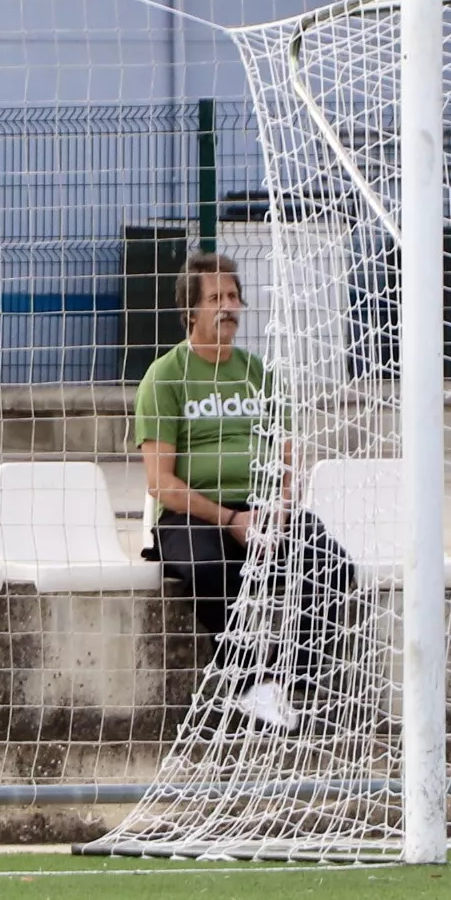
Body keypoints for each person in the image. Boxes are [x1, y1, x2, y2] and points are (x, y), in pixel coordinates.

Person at [137, 252, 351, 733]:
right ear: (190, 310)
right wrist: (231, 521)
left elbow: (289, 455)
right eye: (215, 298)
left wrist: (278, 507)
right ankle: (248, 681)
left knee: (332, 566)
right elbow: (161, 483)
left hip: (263, 511)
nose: (227, 306)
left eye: (233, 296)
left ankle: (281, 679)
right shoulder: (165, 377)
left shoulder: (258, 372)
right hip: (193, 515)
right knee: (211, 568)